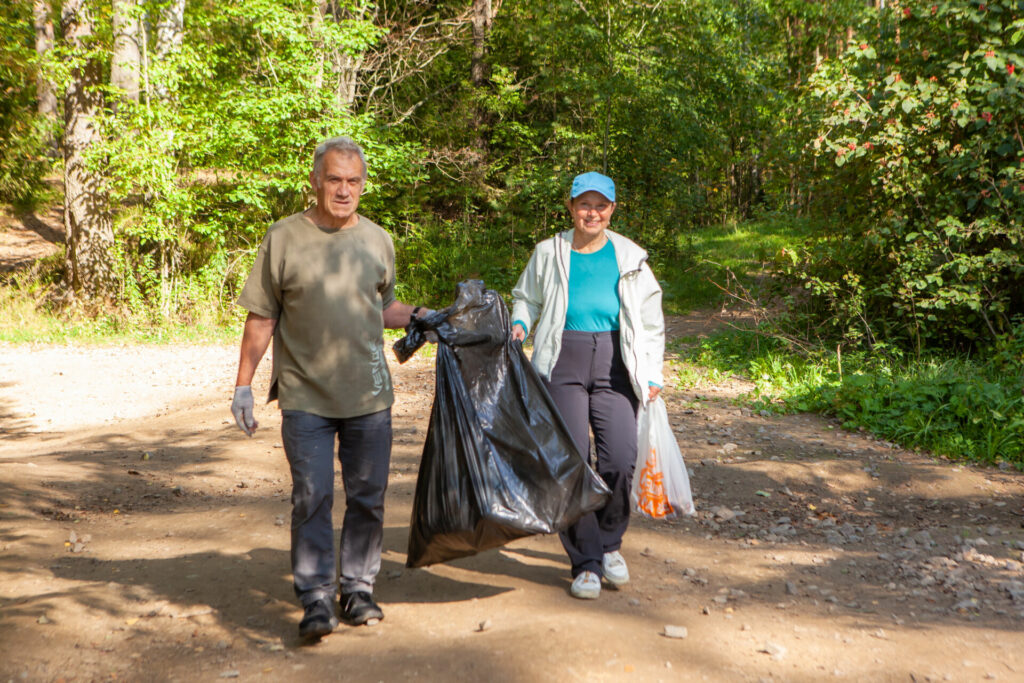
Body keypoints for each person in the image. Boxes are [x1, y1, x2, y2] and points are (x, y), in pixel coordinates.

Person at [230, 136, 430, 641]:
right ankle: (316, 598)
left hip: (369, 395)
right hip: (305, 397)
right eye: (335, 179)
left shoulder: (378, 241)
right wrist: (243, 386)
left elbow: (378, 307)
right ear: (315, 182)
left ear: (363, 185)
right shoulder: (283, 238)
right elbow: (262, 316)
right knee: (312, 497)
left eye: (354, 181)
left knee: (368, 497)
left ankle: (358, 589)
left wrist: (425, 317)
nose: (344, 190)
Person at [510, 171, 664, 599]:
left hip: (617, 362)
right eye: (584, 204)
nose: (591, 212)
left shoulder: (631, 256)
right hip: (563, 360)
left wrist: (652, 372)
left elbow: (650, 322)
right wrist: (522, 322)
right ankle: (587, 562)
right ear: (570, 207)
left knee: (619, 459)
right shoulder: (548, 252)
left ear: (612, 210)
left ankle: (611, 543)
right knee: (573, 460)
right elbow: (527, 297)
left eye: (600, 205)